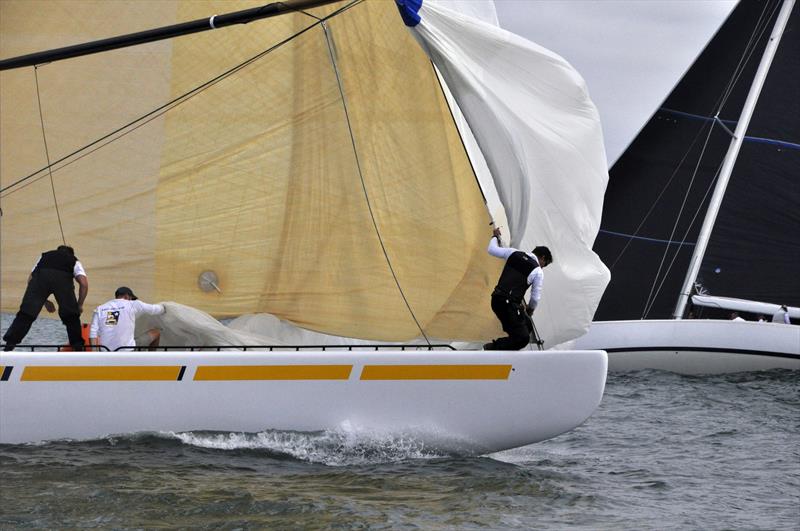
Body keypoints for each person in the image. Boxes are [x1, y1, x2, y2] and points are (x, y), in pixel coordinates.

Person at [2, 245, 88, 351]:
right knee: (71, 316)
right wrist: (79, 305)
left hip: (40, 280)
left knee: (26, 314)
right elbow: (84, 284)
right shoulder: (74, 260)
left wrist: (44, 301)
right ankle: (78, 349)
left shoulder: (44, 256)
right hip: (63, 281)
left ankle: (8, 347)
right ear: (72, 253)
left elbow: (30, 280)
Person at [484, 227, 552, 350]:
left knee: (527, 325)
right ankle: (492, 348)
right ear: (542, 257)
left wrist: (494, 237)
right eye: (545, 264)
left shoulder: (513, 253)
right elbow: (535, 298)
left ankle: (505, 349)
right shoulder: (537, 271)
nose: (543, 267)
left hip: (496, 300)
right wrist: (530, 310)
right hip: (508, 304)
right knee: (523, 338)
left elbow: (492, 249)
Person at [89, 287, 166, 351]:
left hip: (105, 351)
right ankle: (151, 362)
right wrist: (164, 308)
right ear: (127, 296)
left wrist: (96, 354)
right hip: (128, 351)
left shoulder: (100, 309)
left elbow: (92, 333)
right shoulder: (133, 304)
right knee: (156, 332)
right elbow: (155, 309)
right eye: (131, 299)